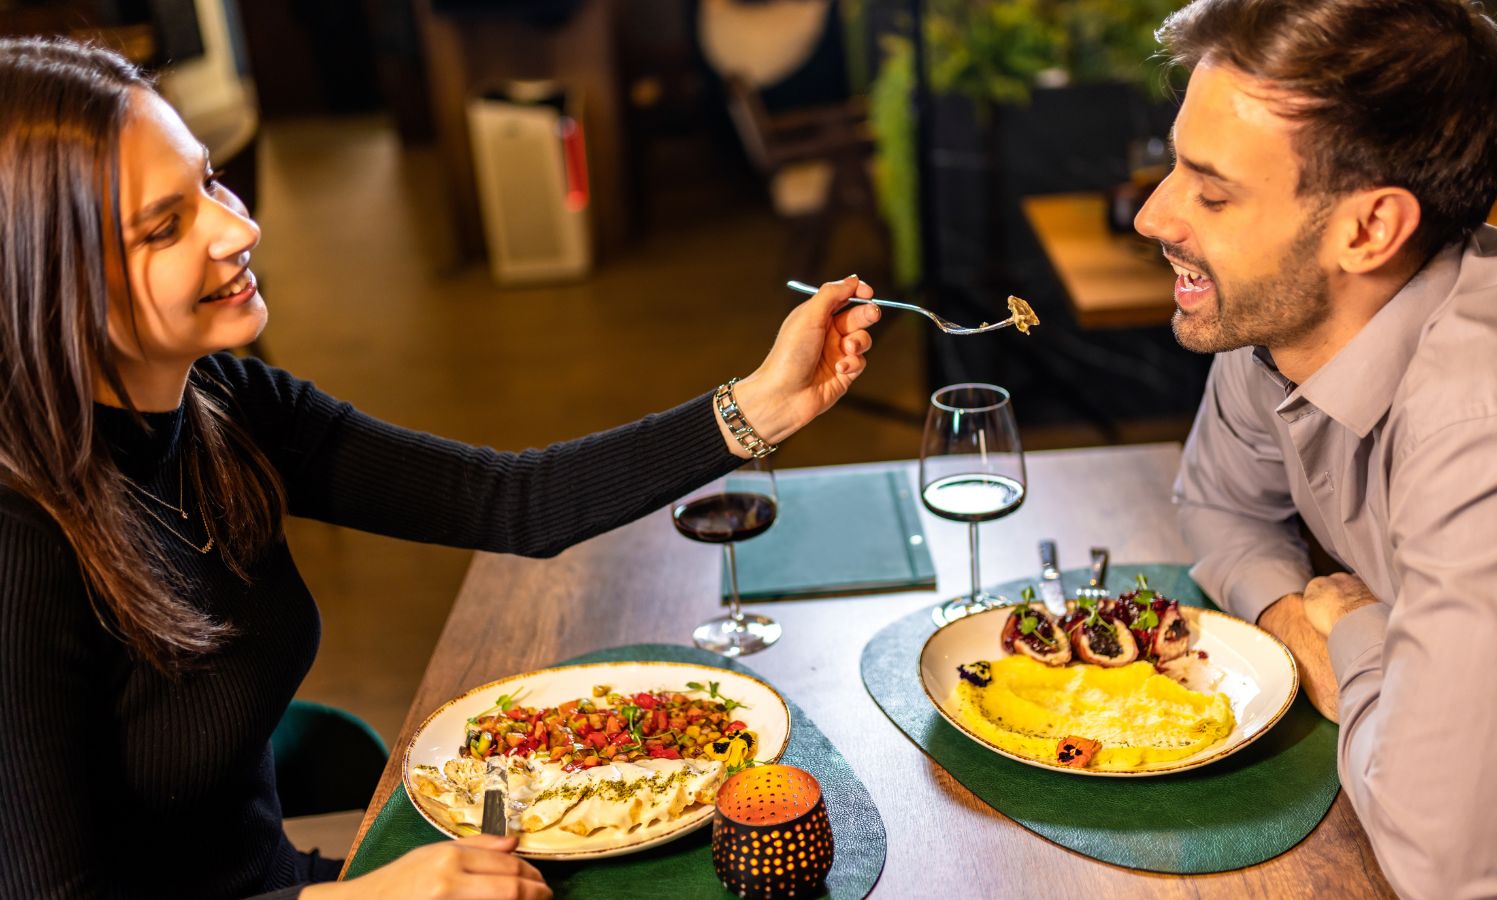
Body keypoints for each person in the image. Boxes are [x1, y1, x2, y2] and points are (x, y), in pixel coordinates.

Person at [0, 37, 882, 900]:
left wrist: (760, 406)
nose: (241, 226)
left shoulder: (225, 402)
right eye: (166, 226)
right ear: (48, 281)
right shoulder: (20, 550)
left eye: (208, 181)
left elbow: (508, 502)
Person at [1133, 0, 1497, 896]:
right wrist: (1304, 632)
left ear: (1368, 230)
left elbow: (1455, 863)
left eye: (1213, 191)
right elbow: (1219, 503)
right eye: (1174, 166)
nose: (1156, 215)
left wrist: (1358, 629)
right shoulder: (1292, 311)